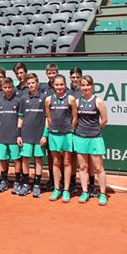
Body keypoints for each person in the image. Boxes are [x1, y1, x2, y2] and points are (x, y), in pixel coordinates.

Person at [74, 75, 109, 206]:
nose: (85, 88)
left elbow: (105, 120)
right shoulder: (77, 102)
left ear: (92, 86)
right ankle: (84, 192)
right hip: (80, 137)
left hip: (95, 138)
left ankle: (103, 194)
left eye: (87, 85)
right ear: (80, 87)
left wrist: (95, 129)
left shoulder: (98, 101)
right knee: (83, 167)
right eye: (83, 85)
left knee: (98, 167)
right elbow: (75, 119)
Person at [45, 74, 78, 203]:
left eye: (61, 85)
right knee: (56, 161)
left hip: (67, 134)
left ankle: (66, 190)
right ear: (53, 85)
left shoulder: (70, 99)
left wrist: (70, 130)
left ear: (65, 85)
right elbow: (49, 118)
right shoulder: (48, 100)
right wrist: (52, 129)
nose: (59, 87)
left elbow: (75, 117)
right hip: (54, 134)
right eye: (57, 85)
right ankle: (57, 189)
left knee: (67, 162)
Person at [16, 73, 48, 198]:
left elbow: (47, 118)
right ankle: (25, 184)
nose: (30, 85)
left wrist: (45, 135)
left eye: (32, 83)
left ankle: (36, 185)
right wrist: (19, 135)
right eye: (28, 83)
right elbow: (20, 118)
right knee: (25, 159)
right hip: (25, 135)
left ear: (37, 83)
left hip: (39, 135)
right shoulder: (23, 99)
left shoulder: (44, 98)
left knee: (38, 159)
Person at [0, 77, 22, 193]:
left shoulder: (18, 101)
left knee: (16, 159)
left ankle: (17, 181)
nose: (7, 89)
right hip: (2, 136)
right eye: (5, 87)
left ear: (13, 88)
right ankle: (4, 181)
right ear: (2, 88)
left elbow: (21, 118)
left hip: (14, 136)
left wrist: (19, 134)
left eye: (9, 87)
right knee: (3, 159)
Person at [40, 63, 59, 191]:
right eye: (49, 73)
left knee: (61, 156)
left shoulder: (62, 87)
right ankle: (52, 179)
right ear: (46, 74)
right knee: (51, 156)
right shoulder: (43, 89)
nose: (51, 75)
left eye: (53, 73)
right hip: (47, 126)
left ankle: (62, 181)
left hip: (61, 127)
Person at [67, 67, 83, 193]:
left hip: (82, 129)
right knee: (70, 157)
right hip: (69, 129)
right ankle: (71, 182)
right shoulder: (66, 92)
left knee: (84, 157)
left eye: (78, 77)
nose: (75, 79)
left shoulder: (85, 92)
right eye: (73, 77)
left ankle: (90, 184)